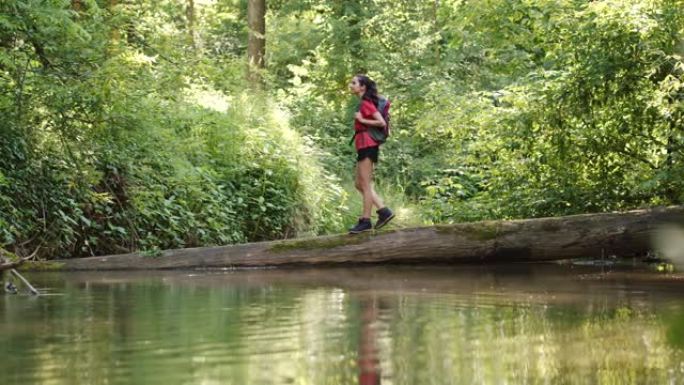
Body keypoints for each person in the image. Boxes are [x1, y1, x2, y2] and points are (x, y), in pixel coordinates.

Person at [348, 74, 394, 234]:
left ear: (363, 87)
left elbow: (381, 122)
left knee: (366, 185)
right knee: (358, 184)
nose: (351, 85)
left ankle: (365, 220)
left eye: (354, 83)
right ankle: (383, 211)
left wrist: (362, 119)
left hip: (368, 144)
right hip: (363, 144)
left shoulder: (366, 103)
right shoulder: (365, 102)